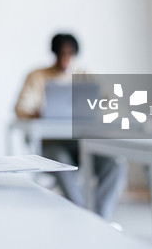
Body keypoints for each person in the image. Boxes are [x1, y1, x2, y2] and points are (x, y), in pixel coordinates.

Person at [14, 33, 126, 219]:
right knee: (61, 160)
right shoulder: (37, 77)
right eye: (61, 53)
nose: (65, 58)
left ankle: (100, 218)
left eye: (69, 54)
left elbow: (114, 105)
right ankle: (81, 214)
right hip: (51, 144)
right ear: (54, 54)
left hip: (83, 143)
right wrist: (39, 113)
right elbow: (20, 108)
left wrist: (92, 111)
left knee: (114, 164)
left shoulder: (86, 76)